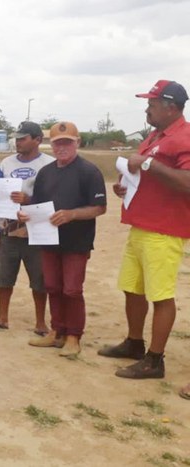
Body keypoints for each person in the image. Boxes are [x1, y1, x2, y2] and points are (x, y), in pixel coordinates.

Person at [97, 80, 190, 390]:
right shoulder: (154, 136)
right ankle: (134, 342)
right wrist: (127, 184)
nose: (147, 107)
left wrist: (147, 164)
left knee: (160, 295)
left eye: (152, 102)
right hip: (141, 225)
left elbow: (187, 182)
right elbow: (145, 172)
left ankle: (155, 359)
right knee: (132, 289)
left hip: (164, 230)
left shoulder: (185, 136)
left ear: (171, 106)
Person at [19, 121, 106, 357]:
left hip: (76, 242)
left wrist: (72, 215)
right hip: (49, 240)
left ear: (77, 142)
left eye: (67, 142)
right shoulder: (45, 173)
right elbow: (37, 204)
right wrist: (27, 215)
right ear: (51, 144)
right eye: (58, 143)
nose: (62, 147)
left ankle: (74, 336)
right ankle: (56, 331)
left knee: (72, 290)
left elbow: (99, 208)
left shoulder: (89, 171)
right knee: (53, 287)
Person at [0, 121, 54, 334]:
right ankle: (2, 317)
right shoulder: (6, 164)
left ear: (38, 140)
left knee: (39, 279)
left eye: (23, 138)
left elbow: (54, 198)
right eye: (17, 138)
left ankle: (41, 322)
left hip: (37, 231)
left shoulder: (49, 165)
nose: (18, 142)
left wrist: (29, 199)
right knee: (4, 277)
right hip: (9, 230)